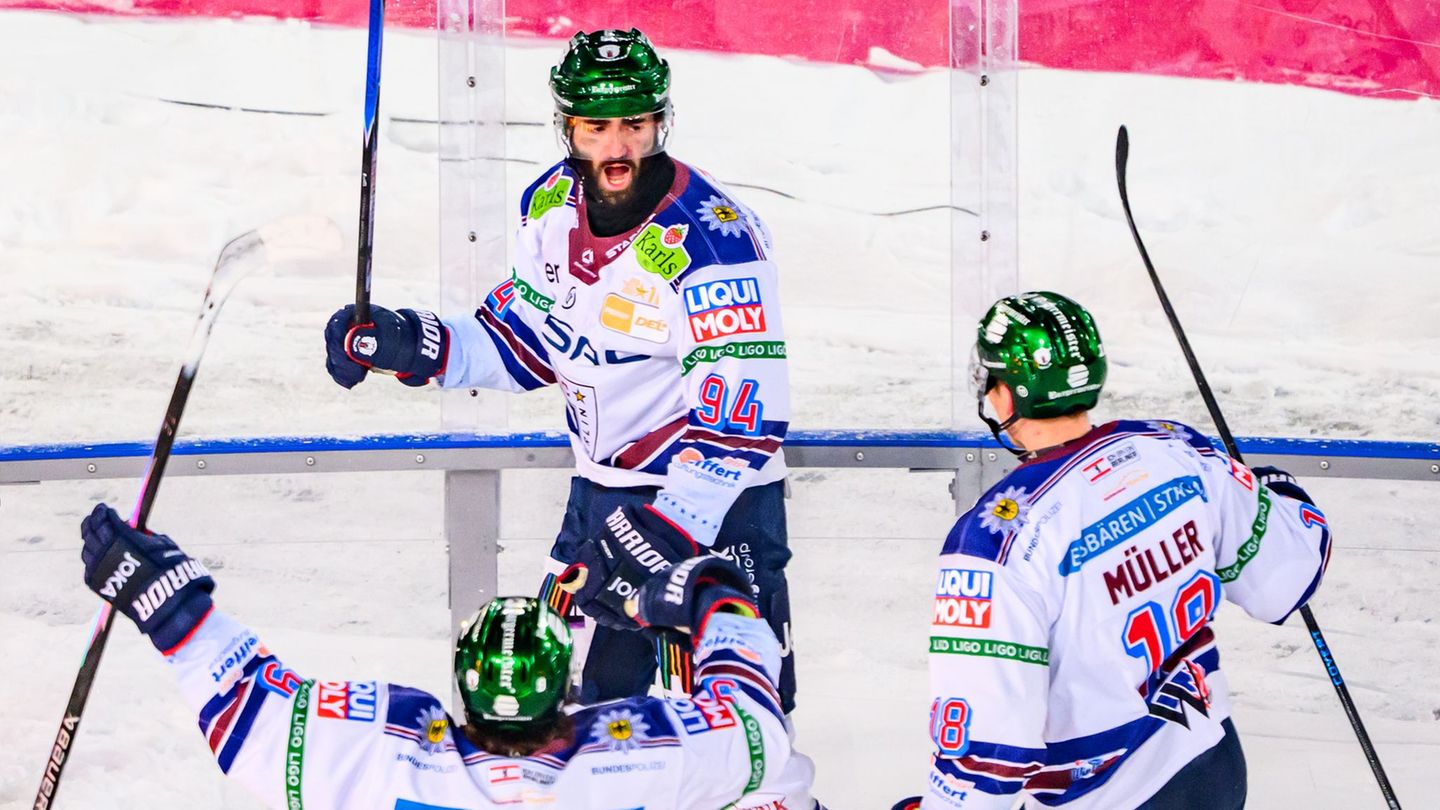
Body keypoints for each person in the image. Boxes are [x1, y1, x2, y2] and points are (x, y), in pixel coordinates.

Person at [322, 27, 796, 711]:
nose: (617, 147)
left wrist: (670, 526)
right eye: (596, 127)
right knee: (569, 717)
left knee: (736, 727)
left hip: (715, 510)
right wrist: (409, 343)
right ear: (565, 126)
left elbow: (744, 419)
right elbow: (524, 340)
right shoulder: (547, 207)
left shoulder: (715, 241)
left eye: (634, 123)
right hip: (600, 500)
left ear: (660, 121)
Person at [76, 501, 817, 809]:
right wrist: (703, 593)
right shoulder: (644, 755)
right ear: (564, 686)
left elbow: (245, 710)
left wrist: (165, 602)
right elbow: (753, 719)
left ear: (463, 685)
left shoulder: (388, 748)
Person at [896, 291, 1332, 809]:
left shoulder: (993, 543)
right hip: (1213, 770)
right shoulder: (1177, 448)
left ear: (1007, 397)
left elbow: (987, 758)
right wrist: (1275, 489)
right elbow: (1290, 573)